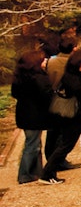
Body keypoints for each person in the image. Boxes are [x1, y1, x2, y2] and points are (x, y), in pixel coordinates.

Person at [40, 47, 81, 184]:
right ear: (78, 62)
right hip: (74, 118)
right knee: (66, 146)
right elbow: (80, 90)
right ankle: (47, 173)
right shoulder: (69, 76)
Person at [11, 49, 53, 184]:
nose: (46, 61)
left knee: (34, 143)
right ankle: (24, 174)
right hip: (34, 115)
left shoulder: (20, 77)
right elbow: (46, 95)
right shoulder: (38, 78)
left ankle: (36, 171)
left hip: (25, 113)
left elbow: (15, 93)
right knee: (32, 144)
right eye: (43, 60)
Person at [43, 34, 80, 173]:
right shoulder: (71, 63)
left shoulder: (51, 61)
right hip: (64, 98)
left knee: (52, 131)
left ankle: (51, 156)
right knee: (63, 133)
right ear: (73, 48)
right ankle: (58, 161)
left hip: (50, 97)